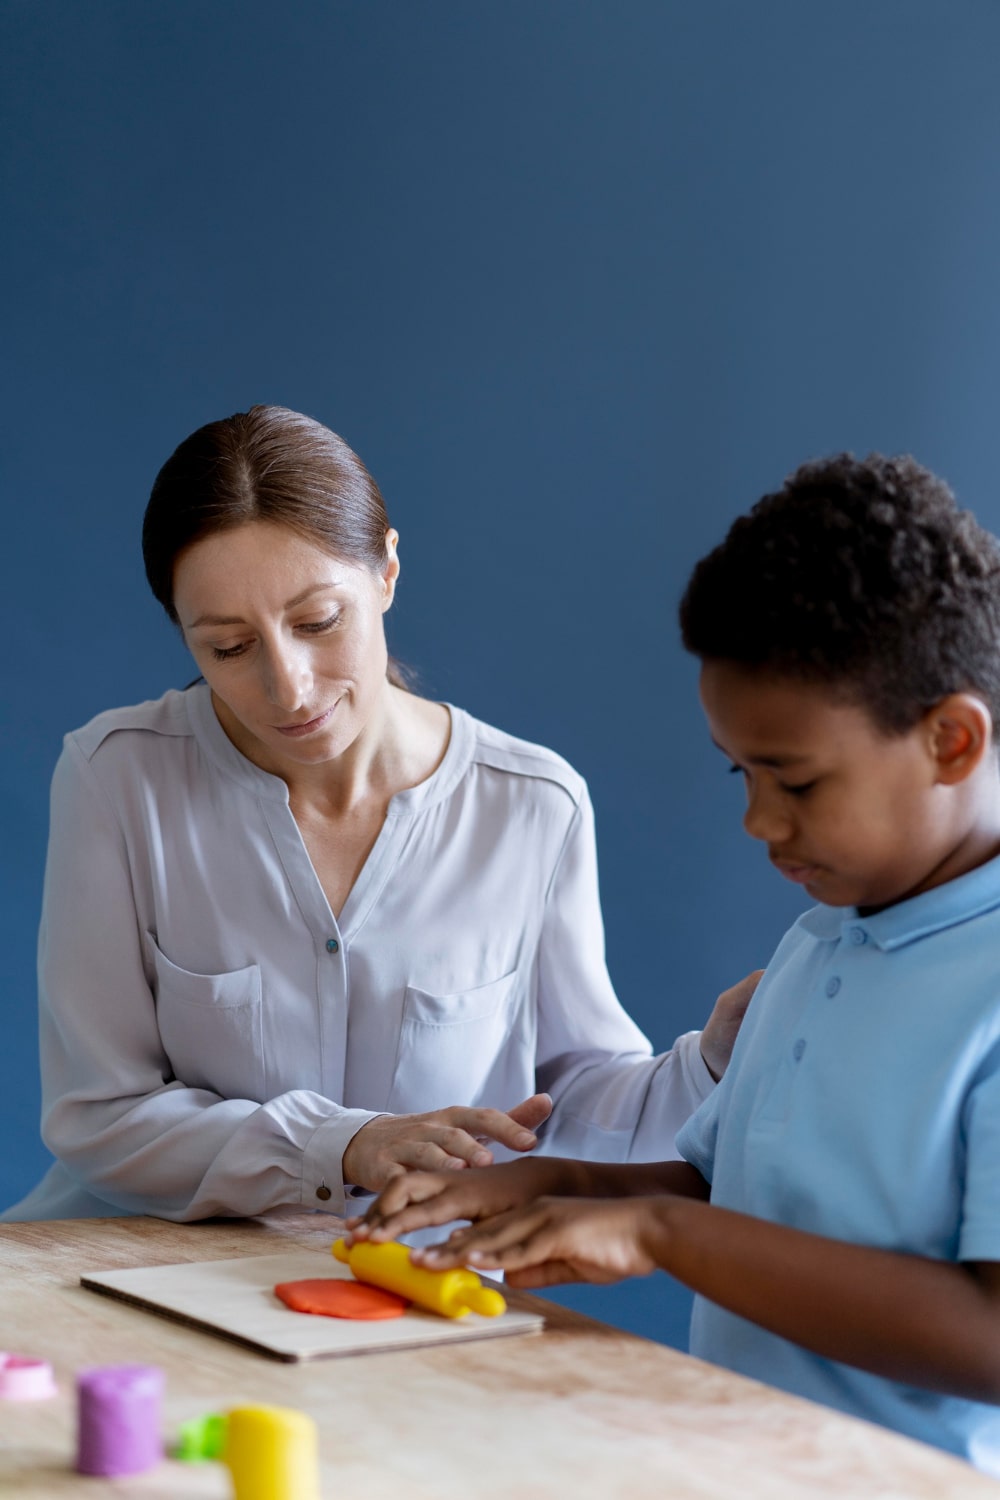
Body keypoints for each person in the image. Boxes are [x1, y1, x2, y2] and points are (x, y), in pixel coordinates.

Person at [348, 453, 1000, 1474]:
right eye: (739, 772)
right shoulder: (821, 934)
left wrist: (658, 1236)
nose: (756, 820)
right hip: (723, 1461)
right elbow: (720, 1190)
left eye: (793, 779)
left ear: (951, 740)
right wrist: (546, 1185)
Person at [3, 405, 755, 1225]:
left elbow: (572, 1103)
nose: (287, 687)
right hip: (123, 1289)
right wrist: (343, 1146)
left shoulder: (533, 804)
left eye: (318, 623)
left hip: (395, 1305)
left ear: (387, 571)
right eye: (228, 646)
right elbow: (98, 1115)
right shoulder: (116, 775)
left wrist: (709, 1065)